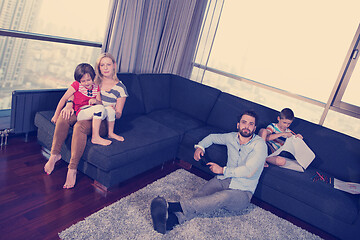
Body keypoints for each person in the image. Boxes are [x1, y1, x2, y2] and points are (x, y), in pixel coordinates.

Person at [150, 110, 267, 234]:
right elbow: (212, 137)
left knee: (222, 197)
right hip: (224, 179)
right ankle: (171, 222)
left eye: (250, 124)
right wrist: (200, 147)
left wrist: (222, 170)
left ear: (254, 127)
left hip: (243, 192)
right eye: (244, 122)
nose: (247, 126)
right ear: (238, 125)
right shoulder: (231, 137)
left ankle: (171, 206)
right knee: (201, 197)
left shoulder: (260, 145)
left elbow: (249, 171)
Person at [93, 52, 128, 142]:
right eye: (102, 65)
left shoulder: (120, 88)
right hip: (91, 114)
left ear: (114, 65)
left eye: (108, 64)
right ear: (99, 68)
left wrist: (113, 111)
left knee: (81, 126)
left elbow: (119, 114)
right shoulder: (94, 82)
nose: (105, 68)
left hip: (105, 122)